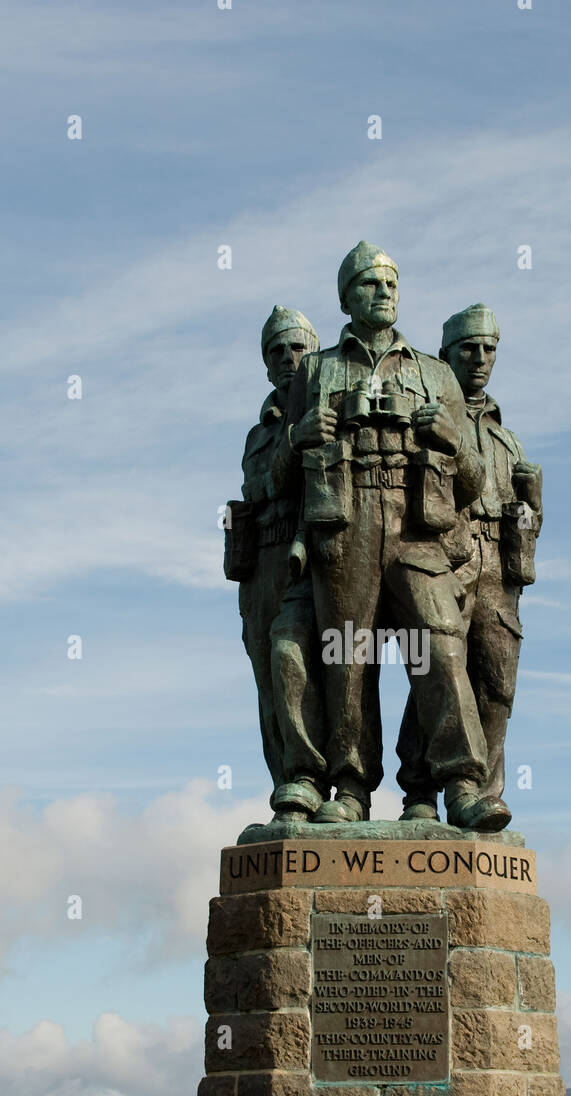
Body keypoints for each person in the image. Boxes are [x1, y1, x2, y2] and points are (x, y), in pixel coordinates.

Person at [283, 244, 510, 831]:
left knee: (438, 644)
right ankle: (351, 786)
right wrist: (299, 436)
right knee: (348, 658)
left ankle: (461, 783)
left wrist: (455, 442)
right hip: (346, 522)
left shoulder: (435, 373)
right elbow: (277, 481)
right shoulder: (315, 371)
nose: (382, 292)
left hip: (415, 527)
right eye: (367, 284)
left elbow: (474, 480)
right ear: (344, 298)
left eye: (390, 283)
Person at [396, 304, 542, 819]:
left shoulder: (508, 438)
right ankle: (419, 788)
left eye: (489, 349)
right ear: (445, 357)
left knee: (497, 682)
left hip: (499, 564)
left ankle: (487, 793)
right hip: (449, 555)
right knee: (439, 667)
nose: (480, 359)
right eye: (468, 348)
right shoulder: (430, 418)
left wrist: (530, 512)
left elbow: (530, 521)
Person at [231, 307, 328, 821]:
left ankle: (316, 780)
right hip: (260, 565)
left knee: (308, 665)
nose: (288, 358)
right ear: (266, 364)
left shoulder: (328, 416)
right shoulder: (259, 433)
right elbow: (263, 486)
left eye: (297, 348)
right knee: (269, 679)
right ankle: (288, 786)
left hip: (313, 557)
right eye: (277, 351)